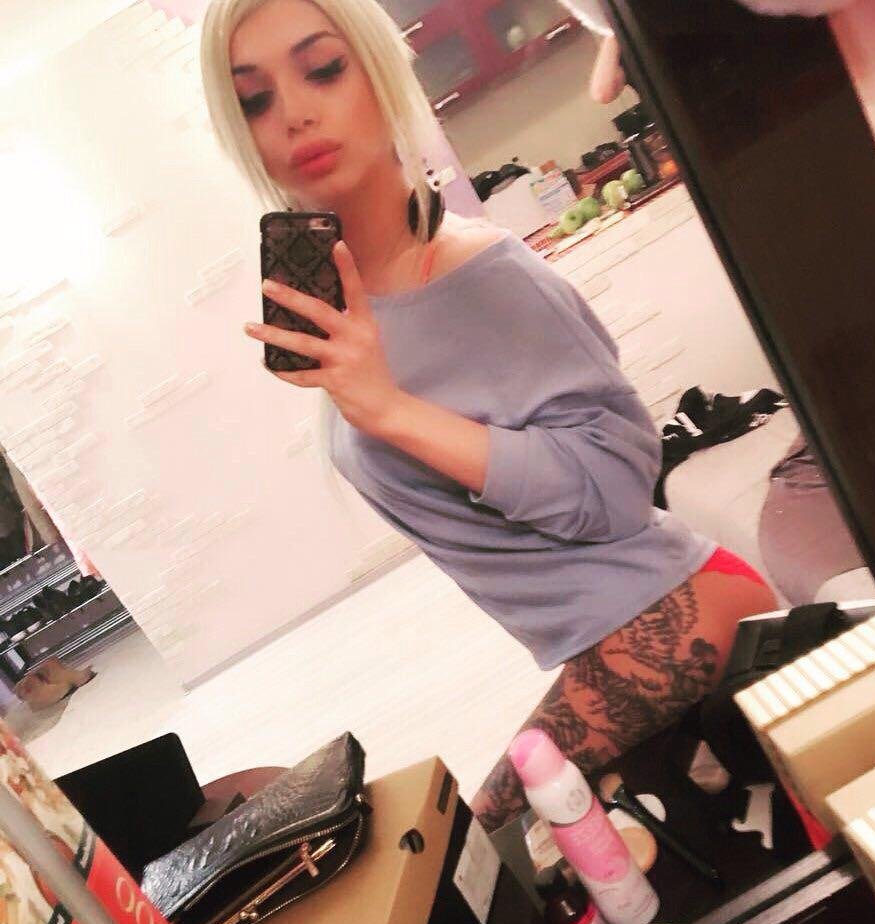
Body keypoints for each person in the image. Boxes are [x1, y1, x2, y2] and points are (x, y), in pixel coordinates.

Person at [201, 0, 777, 832]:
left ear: (379, 74)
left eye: (323, 69)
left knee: (474, 861)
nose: (293, 112)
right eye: (254, 99)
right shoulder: (351, 308)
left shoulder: (482, 274)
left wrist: (393, 411)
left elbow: (619, 491)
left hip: (678, 614)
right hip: (612, 641)